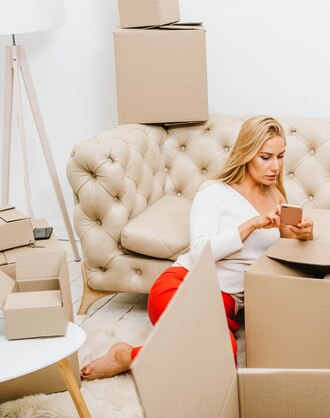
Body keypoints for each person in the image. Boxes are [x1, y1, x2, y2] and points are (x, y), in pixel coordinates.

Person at [81, 116, 314, 380]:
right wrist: (251, 225)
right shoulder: (214, 192)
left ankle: (129, 356)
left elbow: (287, 249)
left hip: (224, 304)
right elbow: (200, 251)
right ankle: (127, 357)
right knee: (216, 353)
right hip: (184, 286)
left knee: (221, 356)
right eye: (266, 157)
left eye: (281, 156)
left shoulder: (276, 196)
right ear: (247, 154)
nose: (275, 166)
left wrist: (304, 235)